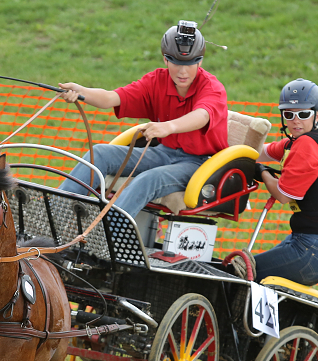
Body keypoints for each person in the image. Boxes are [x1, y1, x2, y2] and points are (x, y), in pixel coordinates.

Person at [57, 20, 229, 219]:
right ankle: (55, 215)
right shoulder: (155, 81)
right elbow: (112, 97)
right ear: (165, 59)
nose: (183, 71)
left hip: (201, 164)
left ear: (200, 61)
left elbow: (202, 115)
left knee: (148, 179)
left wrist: (169, 126)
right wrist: (82, 92)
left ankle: (107, 236)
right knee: (100, 154)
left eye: (190, 63)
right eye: (176, 62)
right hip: (164, 152)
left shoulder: (212, 87)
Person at [249, 78, 318, 287]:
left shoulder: (307, 144)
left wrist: (262, 172)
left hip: (313, 248)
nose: (295, 121)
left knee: (243, 273)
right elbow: (261, 152)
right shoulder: (309, 139)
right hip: (315, 244)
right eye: (289, 114)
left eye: (303, 115)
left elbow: (283, 195)